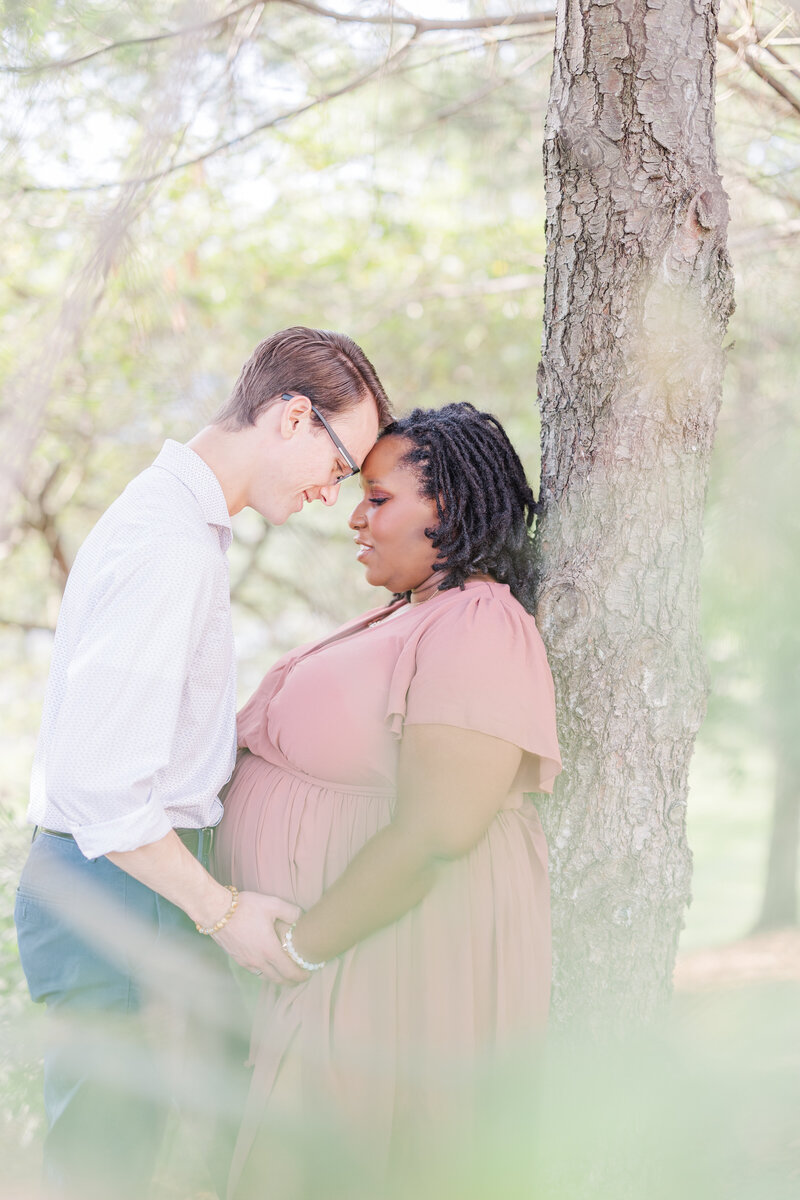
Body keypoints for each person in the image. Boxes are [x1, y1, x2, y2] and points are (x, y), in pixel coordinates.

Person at [14, 326, 391, 1200]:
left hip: (124, 887)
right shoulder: (169, 547)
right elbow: (106, 794)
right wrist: (224, 914)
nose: (334, 494)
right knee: (111, 1174)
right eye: (339, 464)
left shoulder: (182, 525)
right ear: (291, 417)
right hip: (115, 888)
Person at [213, 402, 563, 1199]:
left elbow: (440, 828)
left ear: (451, 504)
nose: (356, 520)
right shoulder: (415, 613)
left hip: (389, 944)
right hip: (348, 944)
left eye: (378, 498)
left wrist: (305, 947)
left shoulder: (477, 623)